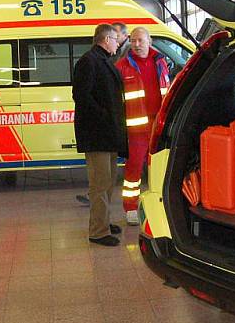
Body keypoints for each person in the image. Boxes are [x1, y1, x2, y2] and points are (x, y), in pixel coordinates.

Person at [72, 24, 127, 246]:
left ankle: (104, 221)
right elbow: (81, 96)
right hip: (97, 135)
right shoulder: (89, 61)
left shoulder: (103, 60)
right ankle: (97, 231)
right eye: (116, 39)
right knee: (99, 184)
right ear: (105, 40)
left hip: (108, 134)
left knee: (108, 182)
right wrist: (104, 116)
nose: (119, 43)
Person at [115, 27, 170, 225]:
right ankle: (130, 208)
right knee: (133, 170)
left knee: (160, 168)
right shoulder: (122, 66)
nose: (136, 45)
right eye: (133, 40)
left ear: (149, 41)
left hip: (160, 127)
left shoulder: (161, 62)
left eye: (140, 40)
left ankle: (161, 203)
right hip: (136, 130)